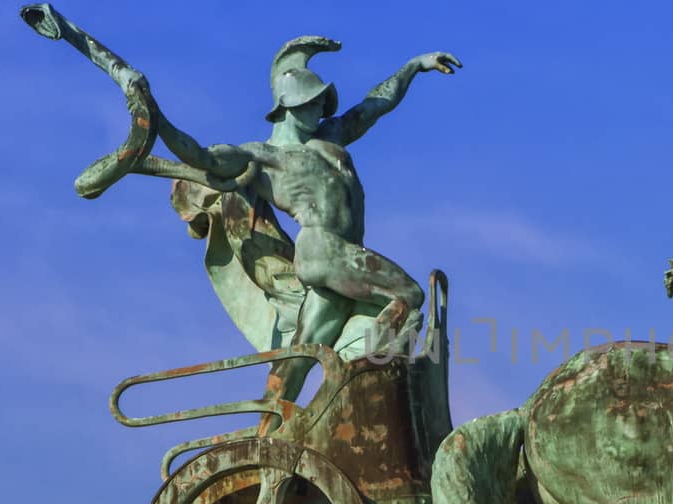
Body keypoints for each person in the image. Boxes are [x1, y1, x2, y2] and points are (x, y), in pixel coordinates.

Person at [149, 35, 461, 399]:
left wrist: (414, 66)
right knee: (410, 296)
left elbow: (375, 106)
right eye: (311, 103)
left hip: (338, 261)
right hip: (324, 250)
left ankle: (269, 431)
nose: (319, 110)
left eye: (320, 102)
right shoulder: (264, 157)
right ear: (287, 106)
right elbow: (202, 157)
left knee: (299, 357)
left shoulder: (330, 136)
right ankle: (360, 387)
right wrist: (156, 120)